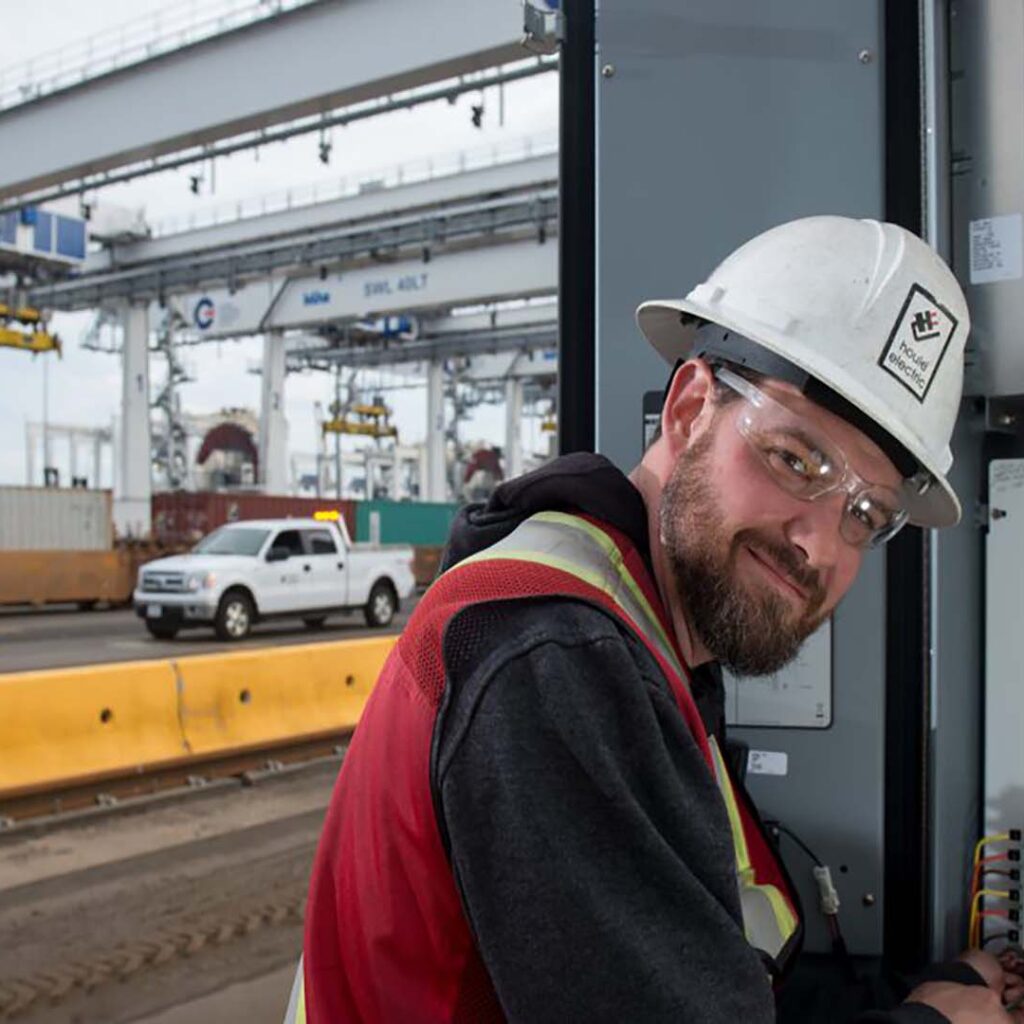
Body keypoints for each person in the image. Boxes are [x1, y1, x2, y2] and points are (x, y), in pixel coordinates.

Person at [288, 216, 1022, 1023]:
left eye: (865, 514)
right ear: (689, 406)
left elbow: (710, 984)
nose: (820, 543)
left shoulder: (646, 639)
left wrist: (919, 997)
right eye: (794, 459)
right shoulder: (553, 655)